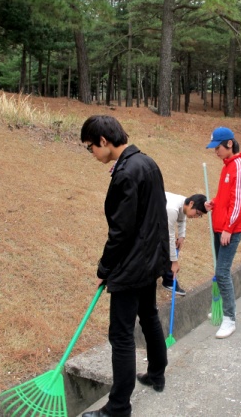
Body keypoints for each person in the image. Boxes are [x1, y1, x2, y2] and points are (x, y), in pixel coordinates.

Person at [80, 115, 169, 417]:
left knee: (120, 335)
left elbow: (121, 230)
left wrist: (105, 268)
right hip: (149, 259)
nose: (91, 153)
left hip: (131, 265)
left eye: (90, 147)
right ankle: (157, 373)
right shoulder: (147, 163)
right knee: (149, 316)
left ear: (103, 142)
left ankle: (118, 407)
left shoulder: (127, 172)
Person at [204, 126, 241, 339]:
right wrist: (213, 203)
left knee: (222, 272)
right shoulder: (227, 166)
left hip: (229, 230)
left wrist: (228, 229)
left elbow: (240, 202)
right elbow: (226, 197)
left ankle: (229, 319)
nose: (216, 151)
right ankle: (224, 311)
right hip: (220, 226)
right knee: (219, 271)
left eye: (218, 147)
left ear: (229, 144)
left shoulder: (240, 165)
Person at [162, 193, 208, 296]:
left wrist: (182, 237)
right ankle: (169, 280)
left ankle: (168, 279)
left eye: (199, 216)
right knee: (162, 245)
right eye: (197, 213)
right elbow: (169, 236)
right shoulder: (172, 209)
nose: (196, 217)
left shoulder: (183, 203)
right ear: (191, 203)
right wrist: (174, 262)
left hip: (154, 218)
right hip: (142, 216)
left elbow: (182, 220)